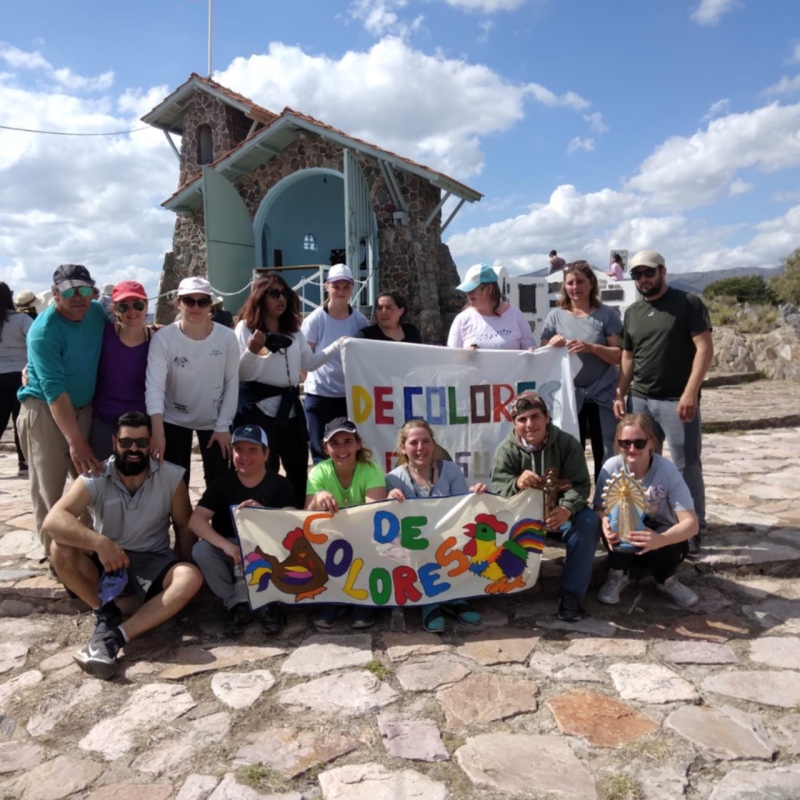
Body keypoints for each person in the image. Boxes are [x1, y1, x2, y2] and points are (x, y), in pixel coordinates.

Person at [43, 411, 202, 680]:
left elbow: (184, 527)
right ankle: (105, 612)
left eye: (141, 443)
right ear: (115, 441)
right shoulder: (96, 475)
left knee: (190, 577)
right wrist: (100, 543)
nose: (133, 449)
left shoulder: (171, 477)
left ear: (150, 444)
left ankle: (116, 637)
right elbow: (53, 520)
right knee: (60, 548)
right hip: (108, 557)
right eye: (127, 442)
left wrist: (186, 567)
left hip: (152, 559)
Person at [613, 250, 713, 556]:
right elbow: (628, 357)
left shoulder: (688, 303)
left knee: (686, 465)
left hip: (676, 401)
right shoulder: (632, 313)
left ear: (662, 271)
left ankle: (693, 529)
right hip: (640, 399)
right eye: (637, 275)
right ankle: (646, 520)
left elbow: (704, 348)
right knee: (639, 462)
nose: (643, 279)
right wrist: (620, 391)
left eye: (648, 273)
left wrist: (690, 392)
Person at [17, 264, 107, 556]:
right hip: (44, 411)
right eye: (69, 291)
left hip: (83, 408)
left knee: (88, 487)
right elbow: (54, 391)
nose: (78, 296)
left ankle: (87, 552)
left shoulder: (96, 313)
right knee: (49, 491)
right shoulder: (43, 332)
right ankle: (55, 559)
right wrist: (76, 441)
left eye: (84, 289)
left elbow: (117, 334)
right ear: (55, 294)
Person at [235, 273, 343, 507]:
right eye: (274, 293)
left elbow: (310, 363)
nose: (281, 298)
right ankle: (265, 517)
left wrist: (338, 344)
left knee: (297, 468)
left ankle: (297, 520)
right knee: (265, 468)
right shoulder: (246, 328)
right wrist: (253, 350)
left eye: (285, 293)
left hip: (291, 407)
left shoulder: (294, 330)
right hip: (258, 408)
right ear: (260, 297)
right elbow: (243, 374)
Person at [491, 391, 600, 622]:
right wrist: (516, 483)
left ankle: (571, 594)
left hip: (558, 517)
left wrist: (567, 508)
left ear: (547, 417)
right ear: (514, 423)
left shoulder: (567, 443)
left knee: (588, 522)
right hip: (522, 520)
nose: (529, 424)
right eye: (522, 419)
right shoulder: (506, 450)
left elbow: (580, 484)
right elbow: (498, 488)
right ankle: (499, 581)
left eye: (535, 417)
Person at [191, 424, 296, 637]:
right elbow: (196, 521)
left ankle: (268, 602)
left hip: (268, 552)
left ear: (266, 454)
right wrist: (226, 545)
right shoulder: (221, 484)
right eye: (239, 450)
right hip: (233, 551)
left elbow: (292, 523)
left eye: (253, 450)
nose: (245, 456)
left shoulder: (281, 485)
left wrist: (263, 514)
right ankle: (237, 603)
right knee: (201, 550)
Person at [386, 420, 487, 632]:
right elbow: (391, 522)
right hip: (415, 546)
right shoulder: (394, 479)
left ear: (433, 444)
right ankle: (428, 599)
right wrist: (390, 499)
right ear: (403, 448)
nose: (420, 448)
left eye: (426, 441)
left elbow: (462, 507)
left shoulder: (450, 470)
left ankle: (455, 596)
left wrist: (475, 495)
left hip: (448, 539)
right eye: (414, 443)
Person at [594, 414, 699, 608]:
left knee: (668, 534)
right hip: (624, 540)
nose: (632, 449)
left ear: (651, 443)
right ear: (618, 445)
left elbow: (691, 524)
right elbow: (599, 509)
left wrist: (661, 540)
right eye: (625, 443)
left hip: (661, 540)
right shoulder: (611, 468)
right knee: (615, 519)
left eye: (639, 443)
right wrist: (603, 521)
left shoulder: (667, 471)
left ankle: (666, 580)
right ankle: (618, 575)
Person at [146, 276, 240, 488]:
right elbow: (155, 386)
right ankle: (182, 523)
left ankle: (214, 522)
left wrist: (224, 425)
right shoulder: (163, 338)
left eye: (203, 301)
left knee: (218, 484)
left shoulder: (227, 338)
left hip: (214, 421)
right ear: (178, 303)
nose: (196, 306)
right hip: (173, 419)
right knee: (175, 485)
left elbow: (232, 383)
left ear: (211, 304)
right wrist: (157, 430)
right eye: (189, 300)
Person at [541, 262, 622, 481]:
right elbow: (543, 356)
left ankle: (604, 503)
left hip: (602, 396)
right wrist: (552, 344)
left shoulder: (606, 315)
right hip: (567, 397)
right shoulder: (555, 317)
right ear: (564, 286)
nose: (575, 287)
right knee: (569, 452)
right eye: (570, 283)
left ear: (591, 283)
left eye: (580, 282)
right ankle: (574, 503)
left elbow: (619, 355)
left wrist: (592, 347)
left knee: (606, 450)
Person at [305, 417, 388, 629]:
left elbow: (372, 512)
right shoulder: (318, 472)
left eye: (347, 441)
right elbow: (307, 516)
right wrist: (317, 498)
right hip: (332, 538)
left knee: (366, 543)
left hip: (363, 536)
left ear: (358, 444)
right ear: (326, 448)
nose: (341, 448)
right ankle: (334, 599)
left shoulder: (371, 469)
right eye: (335, 443)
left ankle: (363, 600)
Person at [301, 265, 369, 463]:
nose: (340, 291)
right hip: (320, 396)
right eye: (336, 286)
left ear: (352, 288)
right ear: (326, 286)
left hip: (348, 396)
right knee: (320, 451)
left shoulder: (360, 320)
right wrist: (313, 383)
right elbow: (304, 358)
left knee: (350, 451)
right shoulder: (315, 320)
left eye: (345, 286)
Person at [90, 281, 158, 462]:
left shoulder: (159, 339)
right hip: (105, 419)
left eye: (137, 304)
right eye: (123, 306)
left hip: (142, 423)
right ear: (114, 309)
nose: (132, 311)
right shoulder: (102, 335)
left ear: (146, 306)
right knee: (103, 478)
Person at [447, 263, 534, 350]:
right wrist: (464, 355)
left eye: (472, 289)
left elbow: (530, 351)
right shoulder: (462, 319)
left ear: (489, 289)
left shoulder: (516, 315)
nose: (468, 294)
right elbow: (450, 358)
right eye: (466, 290)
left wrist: (531, 351)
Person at [0, 283, 32, 476]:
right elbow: (37, 339)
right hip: (21, 375)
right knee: (21, 422)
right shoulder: (21, 319)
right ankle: (24, 462)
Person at [357, 292, 422, 343]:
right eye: (379, 308)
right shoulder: (367, 335)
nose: (383, 312)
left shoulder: (411, 331)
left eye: (389, 308)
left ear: (401, 311)